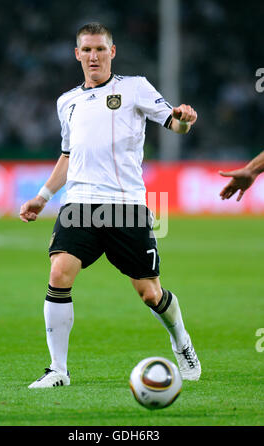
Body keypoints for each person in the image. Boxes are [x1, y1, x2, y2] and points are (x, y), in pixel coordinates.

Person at [20, 22, 201, 388]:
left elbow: (173, 124)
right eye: (86, 49)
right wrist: (42, 197)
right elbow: (67, 156)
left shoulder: (134, 88)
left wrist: (184, 120)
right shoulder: (66, 102)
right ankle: (58, 370)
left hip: (125, 206)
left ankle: (181, 340)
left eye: (100, 49)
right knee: (59, 274)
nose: (93, 56)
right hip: (81, 204)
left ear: (112, 52)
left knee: (150, 293)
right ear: (77, 54)